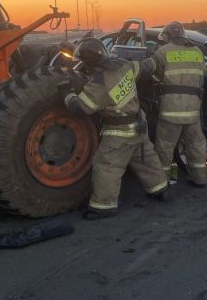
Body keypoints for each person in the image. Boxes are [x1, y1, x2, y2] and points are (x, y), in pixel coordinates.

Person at [62, 37, 169, 220]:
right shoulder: (123, 65)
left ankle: (104, 206)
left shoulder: (99, 82)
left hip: (120, 132)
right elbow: (142, 68)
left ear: (88, 62)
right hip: (139, 124)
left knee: (106, 165)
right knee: (145, 158)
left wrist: (68, 93)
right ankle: (159, 189)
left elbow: (81, 108)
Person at [145, 21, 207, 187]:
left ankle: (162, 184)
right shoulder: (197, 51)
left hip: (170, 111)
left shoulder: (162, 51)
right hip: (193, 110)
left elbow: (152, 72)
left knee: (164, 148)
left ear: (167, 36)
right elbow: (203, 73)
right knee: (196, 146)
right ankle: (200, 179)